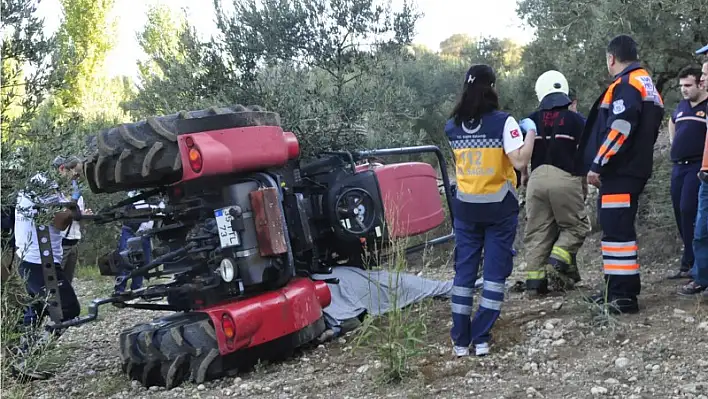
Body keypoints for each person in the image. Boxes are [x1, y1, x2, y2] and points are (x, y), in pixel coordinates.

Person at [444, 64, 536, 357]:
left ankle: (460, 341)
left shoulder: (452, 126)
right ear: (492, 88)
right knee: (495, 275)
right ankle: (481, 337)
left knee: (464, 275)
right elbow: (520, 162)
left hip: (466, 210)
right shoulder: (504, 123)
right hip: (499, 209)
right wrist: (530, 132)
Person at [576, 34, 664, 314]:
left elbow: (621, 128)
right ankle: (616, 290)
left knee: (617, 233)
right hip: (633, 170)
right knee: (619, 230)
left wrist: (598, 163)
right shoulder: (647, 85)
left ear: (611, 58)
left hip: (620, 173)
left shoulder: (626, 85)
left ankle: (622, 297)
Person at [521, 70, 590, 297]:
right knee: (576, 227)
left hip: (536, 179)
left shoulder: (530, 120)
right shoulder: (575, 119)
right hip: (564, 177)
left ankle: (534, 283)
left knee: (538, 231)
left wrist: (521, 176)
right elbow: (588, 150)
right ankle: (556, 262)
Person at [14, 171, 81, 327]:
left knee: (36, 311)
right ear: (63, 169)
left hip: (30, 258)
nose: (76, 179)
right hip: (40, 261)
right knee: (68, 310)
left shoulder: (35, 183)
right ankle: (37, 349)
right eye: (75, 174)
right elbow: (60, 222)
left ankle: (22, 349)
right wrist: (73, 201)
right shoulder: (44, 185)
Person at [665, 67, 708, 283]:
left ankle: (695, 264)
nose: (684, 90)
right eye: (681, 86)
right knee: (679, 212)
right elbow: (671, 122)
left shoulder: (706, 106)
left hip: (696, 166)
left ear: (700, 84)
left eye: (688, 85)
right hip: (678, 167)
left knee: (688, 209)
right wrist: (674, 143)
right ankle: (688, 261)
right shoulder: (681, 107)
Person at [683, 46, 708, 298]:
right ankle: (701, 278)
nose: (701, 79)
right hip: (705, 176)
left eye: (705, 74)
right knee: (701, 231)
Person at [52, 155, 91, 283]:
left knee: (67, 282)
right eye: (76, 173)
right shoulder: (56, 192)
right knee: (57, 280)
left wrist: (84, 215)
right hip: (61, 242)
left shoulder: (78, 193)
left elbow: (78, 218)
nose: (77, 177)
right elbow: (58, 218)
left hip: (74, 242)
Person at [113, 191, 154, 293]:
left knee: (144, 261)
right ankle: (119, 289)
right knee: (125, 259)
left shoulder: (157, 198)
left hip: (145, 233)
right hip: (131, 230)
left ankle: (137, 288)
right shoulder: (135, 195)